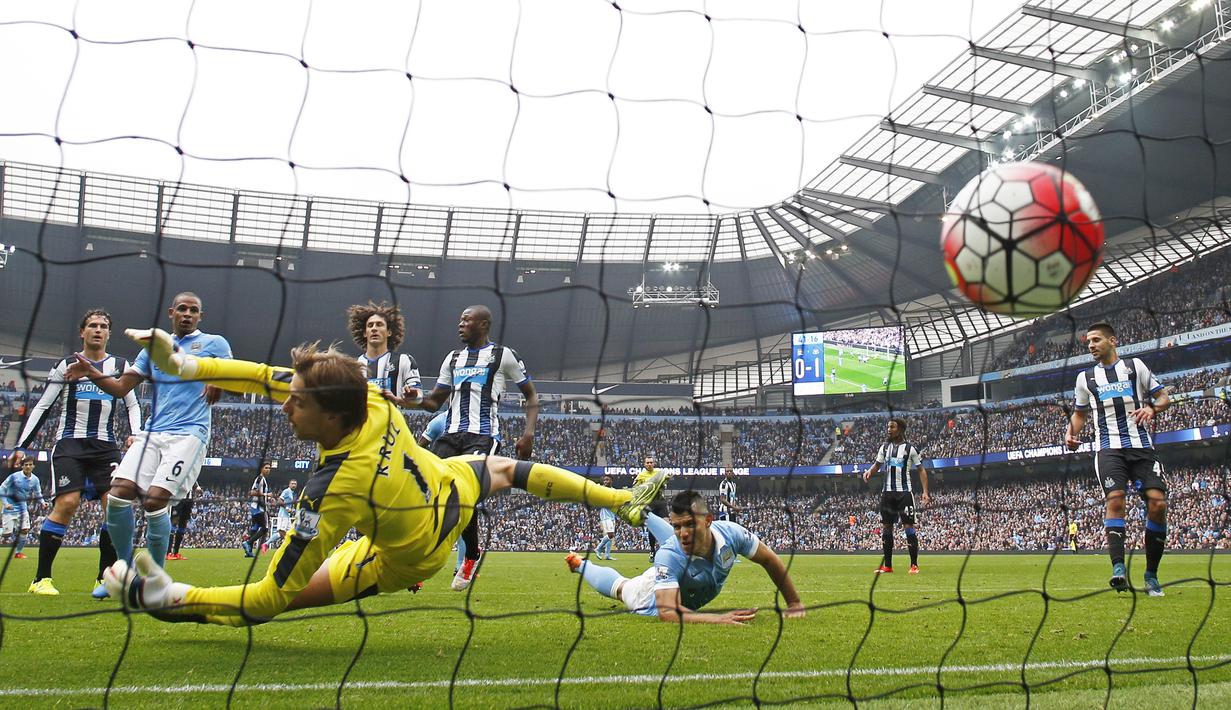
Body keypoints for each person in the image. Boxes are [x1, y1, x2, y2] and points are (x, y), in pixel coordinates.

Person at [100, 329, 667, 627]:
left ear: (331, 417)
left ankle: (169, 598)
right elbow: (253, 375)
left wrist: (179, 596)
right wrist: (184, 365)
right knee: (506, 469)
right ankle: (623, 499)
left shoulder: (332, 492)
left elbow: (272, 594)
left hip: (410, 555)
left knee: (284, 598)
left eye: (296, 404)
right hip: (450, 487)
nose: (284, 407)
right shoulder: (363, 395)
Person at [65, 292, 231, 573]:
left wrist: (219, 378)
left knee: (155, 500)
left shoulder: (215, 343)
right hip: (153, 432)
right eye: (182, 309)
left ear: (200, 316)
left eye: (193, 310)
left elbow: (234, 372)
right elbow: (119, 388)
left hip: (189, 434)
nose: (187, 314)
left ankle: (154, 577)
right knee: (117, 495)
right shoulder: (152, 349)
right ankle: (125, 566)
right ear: (171, 313)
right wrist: (92, 371)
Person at [16, 309, 143, 596]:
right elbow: (43, 406)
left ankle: (103, 579)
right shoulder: (65, 364)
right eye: (92, 325)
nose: (98, 330)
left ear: (109, 333)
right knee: (68, 503)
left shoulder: (120, 365)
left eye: (103, 326)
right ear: (82, 332)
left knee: (114, 506)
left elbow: (132, 404)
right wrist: (22, 445)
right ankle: (41, 579)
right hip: (69, 446)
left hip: (105, 447)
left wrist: (134, 434)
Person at [413, 305, 538, 591]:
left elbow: (530, 395)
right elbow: (434, 402)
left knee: (464, 497)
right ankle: (431, 558)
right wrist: (411, 399)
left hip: (482, 437)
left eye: (466, 320)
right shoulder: (453, 358)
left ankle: (469, 556)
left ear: (483, 325)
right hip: (450, 435)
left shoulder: (503, 355)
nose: (460, 324)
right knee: (432, 496)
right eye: (460, 320)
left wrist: (528, 434)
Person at [565, 491, 805, 624]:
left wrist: (794, 603)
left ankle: (643, 514)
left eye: (690, 523)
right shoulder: (668, 555)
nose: (684, 532)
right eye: (677, 526)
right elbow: (668, 613)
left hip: (679, 573)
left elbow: (769, 559)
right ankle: (580, 564)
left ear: (709, 520)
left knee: (679, 544)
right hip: (650, 592)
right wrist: (718, 619)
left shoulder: (732, 533)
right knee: (622, 587)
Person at [1065, 322, 1171, 597]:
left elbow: (1163, 397)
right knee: (1116, 500)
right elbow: (1079, 413)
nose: (1091, 345)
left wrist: (1150, 407)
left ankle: (1151, 575)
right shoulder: (1084, 378)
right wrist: (1070, 433)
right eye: (1088, 341)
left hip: (1141, 448)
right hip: (1108, 449)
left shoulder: (1136, 367)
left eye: (1096, 340)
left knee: (1158, 504)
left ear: (1112, 340)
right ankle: (1118, 569)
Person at [862, 417, 930, 574]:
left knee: (908, 527)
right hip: (887, 494)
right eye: (888, 427)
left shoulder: (910, 449)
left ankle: (914, 565)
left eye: (891, 427)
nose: (888, 430)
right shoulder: (884, 448)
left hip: (904, 494)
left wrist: (925, 492)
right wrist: (869, 472)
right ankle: (888, 566)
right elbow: (877, 465)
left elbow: (921, 470)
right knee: (887, 527)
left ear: (899, 429)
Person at [348, 301, 421, 408]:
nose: (374, 328)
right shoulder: (354, 367)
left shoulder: (403, 360)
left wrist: (413, 396)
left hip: (393, 423)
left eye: (379, 324)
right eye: (370, 325)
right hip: (363, 424)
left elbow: (418, 396)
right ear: (364, 333)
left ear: (389, 332)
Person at [1, 454, 45, 561]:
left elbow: (38, 493)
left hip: (22, 509)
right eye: (26, 465)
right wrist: (6, 503)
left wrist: (42, 502)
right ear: (22, 466)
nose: (28, 467)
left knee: (25, 530)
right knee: (7, 534)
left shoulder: (35, 479)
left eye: (30, 465)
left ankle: (18, 553)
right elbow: (1, 489)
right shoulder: (14, 477)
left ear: (33, 466)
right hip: (9, 509)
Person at [635, 455, 670, 560]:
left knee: (667, 525)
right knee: (652, 528)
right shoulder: (641, 476)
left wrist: (666, 481)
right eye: (647, 463)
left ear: (654, 464)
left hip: (661, 502)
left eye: (651, 462)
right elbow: (636, 488)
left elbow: (666, 482)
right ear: (644, 464)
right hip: (649, 504)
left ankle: (666, 550)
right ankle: (652, 550)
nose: (649, 464)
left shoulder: (660, 472)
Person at [168, 484, 203, 561]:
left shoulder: (192, 473)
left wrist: (197, 488)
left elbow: (194, 484)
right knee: (174, 522)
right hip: (178, 499)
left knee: (183, 524)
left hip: (188, 501)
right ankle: (168, 553)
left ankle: (176, 553)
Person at [269, 479, 298, 549]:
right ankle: (267, 544)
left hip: (287, 516)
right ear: (289, 484)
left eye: (295, 484)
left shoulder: (292, 493)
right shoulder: (286, 491)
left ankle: (267, 544)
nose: (294, 485)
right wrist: (287, 508)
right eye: (292, 483)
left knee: (289, 532)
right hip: (283, 515)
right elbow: (279, 501)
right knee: (282, 532)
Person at [595, 474, 617, 561]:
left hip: (612, 515)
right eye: (604, 480)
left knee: (610, 536)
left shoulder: (614, 491)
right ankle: (598, 548)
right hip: (605, 515)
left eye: (607, 480)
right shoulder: (602, 489)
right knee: (610, 534)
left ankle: (607, 555)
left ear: (611, 480)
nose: (605, 481)